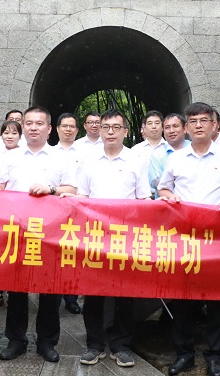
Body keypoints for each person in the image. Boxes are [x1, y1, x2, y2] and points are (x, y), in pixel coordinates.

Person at [158, 102, 220, 376]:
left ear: (214, 126)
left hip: (216, 240)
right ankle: (183, 353)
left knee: (217, 300)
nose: (198, 125)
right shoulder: (176, 158)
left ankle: (215, 355)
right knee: (182, 299)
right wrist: (170, 197)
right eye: (193, 121)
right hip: (184, 238)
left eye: (204, 120)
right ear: (186, 128)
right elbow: (163, 188)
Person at [0, 106, 77, 363]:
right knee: (17, 288)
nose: (33, 127)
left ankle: (47, 342)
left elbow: (72, 189)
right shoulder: (9, 156)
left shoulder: (62, 158)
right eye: (28, 123)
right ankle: (16, 340)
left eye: (39, 123)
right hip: (17, 231)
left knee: (50, 290)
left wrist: (50, 189)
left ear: (49, 129)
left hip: (51, 232)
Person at [78, 109, 150, 369]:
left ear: (125, 131)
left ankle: (121, 346)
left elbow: (143, 198)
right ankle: (94, 345)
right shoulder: (88, 160)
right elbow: (82, 197)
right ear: (99, 130)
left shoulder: (136, 160)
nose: (110, 132)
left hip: (125, 237)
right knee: (93, 293)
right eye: (106, 127)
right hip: (95, 237)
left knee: (124, 294)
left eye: (116, 127)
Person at [0, 119, 23, 310]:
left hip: (18, 212)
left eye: (14, 133)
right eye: (6, 133)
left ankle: (15, 288)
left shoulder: (24, 155)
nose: (10, 136)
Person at [53, 112, 84, 314]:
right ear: (57, 129)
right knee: (55, 252)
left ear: (77, 130)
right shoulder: (50, 153)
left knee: (72, 253)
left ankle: (71, 297)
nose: (68, 129)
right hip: (53, 209)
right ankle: (53, 292)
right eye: (64, 126)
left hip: (76, 208)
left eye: (72, 126)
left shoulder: (85, 154)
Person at [131, 110, 168, 188]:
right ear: (144, 127)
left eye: (157, 123)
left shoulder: (170, 148)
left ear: (163, 127)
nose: (153, 126)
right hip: (141, 193)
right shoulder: (135, 150)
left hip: (168, 192)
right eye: (150, 123)